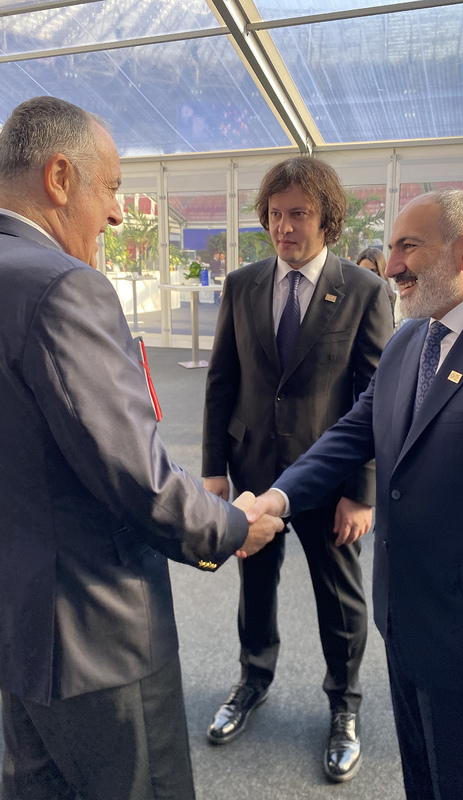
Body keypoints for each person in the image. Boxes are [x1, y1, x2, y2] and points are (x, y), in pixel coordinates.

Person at [0, 96, 283, 800]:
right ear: (59, 177)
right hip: (98, 638)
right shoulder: (62, 287)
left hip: (18, 630)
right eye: (111, 188)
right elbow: (135, 473)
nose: (118, 214)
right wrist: (232, 527)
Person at [248, 188, 463, 800]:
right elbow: (352, 433)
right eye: (392, 247)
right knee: (423, 781)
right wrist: (277, 499)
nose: (392, 264)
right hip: (404, 621)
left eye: (409, 247)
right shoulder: (410, 339)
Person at [202, 156, 393, 782]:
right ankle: (252, 680)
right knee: (255, 587)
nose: (284, 227)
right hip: (252, 470)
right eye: (275, 214)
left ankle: (345, 705)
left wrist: (361, 492)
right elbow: (221, 380)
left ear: (327, 219)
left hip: (328, 482)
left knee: (339, 597)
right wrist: (213, 471)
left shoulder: (364, 291)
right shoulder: (242, 284)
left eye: (299, 214)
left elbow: (374, 398)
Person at [356, 246, 397, 322]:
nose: (367, 274)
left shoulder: (389, 296)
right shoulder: (351, 294)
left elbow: (389, 325)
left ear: (380, 271)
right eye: (363, 270)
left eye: (373, 270)